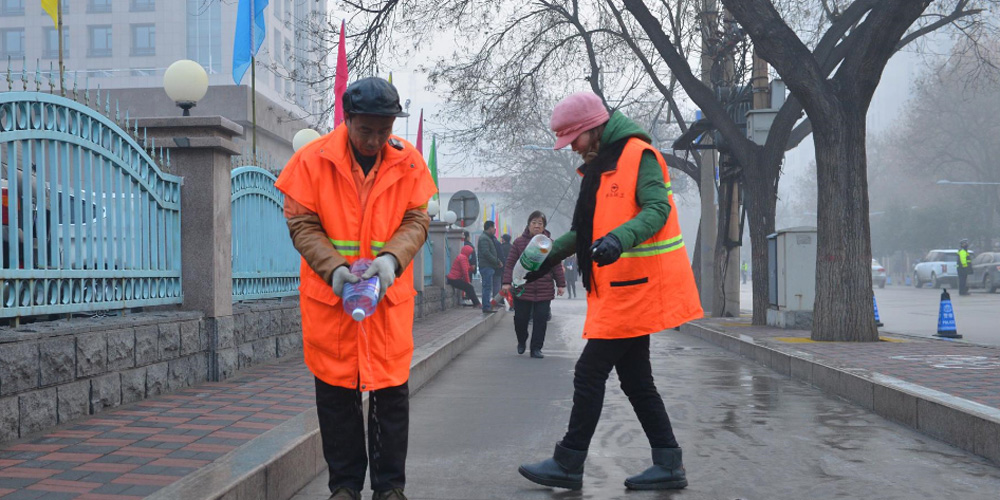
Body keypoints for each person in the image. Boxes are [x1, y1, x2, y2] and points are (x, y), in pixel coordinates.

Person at [517, 91, 703, 491]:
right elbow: (586, 233)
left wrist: (619, 239)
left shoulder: (640, 155)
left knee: (589, 372)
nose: (573, 151)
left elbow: (658, 210)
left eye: (575, 141)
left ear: (593, 130)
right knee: (637, 381)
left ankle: (569, 462)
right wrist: (545, 261)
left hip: (637, 289)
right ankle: (669, 463)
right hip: (618, 289)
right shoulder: (601, 168)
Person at [275, 77, 437, 500]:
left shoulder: (409, 162)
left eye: (384, 130)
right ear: (348, 120)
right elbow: (302, 223)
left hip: (386, 304)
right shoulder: (312, 161)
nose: (375, 139)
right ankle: (344, 487)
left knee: (391, 401)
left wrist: (390, 261)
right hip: (332, 302)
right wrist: (334, 269)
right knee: (336, 400)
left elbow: (417, 219)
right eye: (366, 130)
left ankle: (390, 489)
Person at [501, 211, 566, 358]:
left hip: (544, 289)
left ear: (544, 227)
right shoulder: (519, 243)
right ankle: (522, 340)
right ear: (528, 224)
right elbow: (510, 264)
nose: (537, 226)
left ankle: (536, 348)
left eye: (540, 223)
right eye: (534, 223)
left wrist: (561, 284)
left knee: (541, 319)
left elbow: (556, 265)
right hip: (523, 288)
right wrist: (506, 282)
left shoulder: (550, 244)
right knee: (520, 319)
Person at [477, 221, 504, 312]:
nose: (495, 230)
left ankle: (487, 305)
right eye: (494, 227)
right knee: (487, 287)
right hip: (486, 266)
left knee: (488, 287)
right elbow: (486, 253)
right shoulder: (484, 238)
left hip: (490, 266)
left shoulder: (488, 238)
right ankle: (486, 307)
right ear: (489, 228)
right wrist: (496, 261)